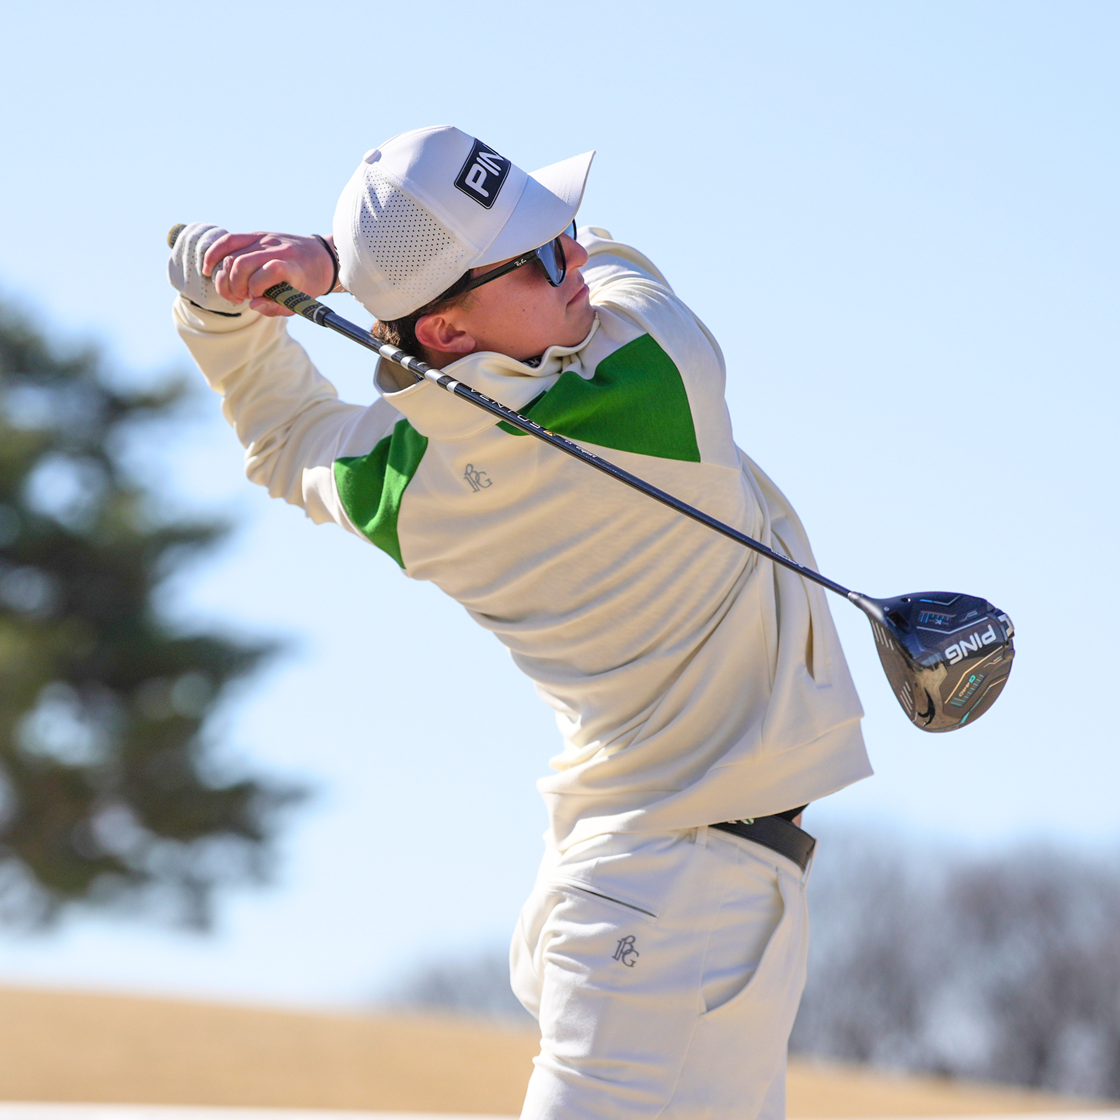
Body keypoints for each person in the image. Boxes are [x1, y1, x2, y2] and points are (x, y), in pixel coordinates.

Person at [168, 124, 873, 1120]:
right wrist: (335, 266)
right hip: (662, 898)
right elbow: (621, 259)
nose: (573, 255)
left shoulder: (402, 475)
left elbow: (287, 435)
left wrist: (216, 309)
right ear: (449, 332)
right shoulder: (658, 367)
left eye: (561, 231)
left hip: (680, 890)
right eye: (541, 254)